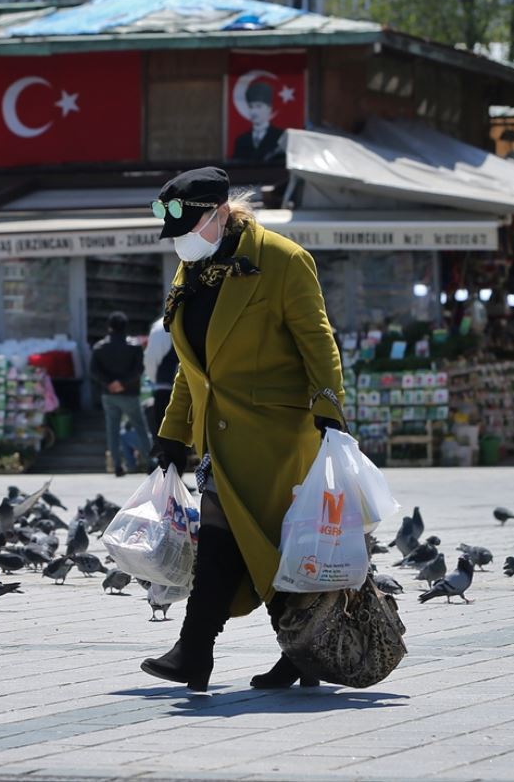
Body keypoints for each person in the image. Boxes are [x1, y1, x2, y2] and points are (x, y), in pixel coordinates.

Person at [142, 166, 345, 692]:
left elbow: (317, 340)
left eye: (189, 229)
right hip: (220, 437)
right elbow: (196, 367)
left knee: (245, 545)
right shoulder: (193, 270)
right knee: (246, 546)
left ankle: (196, 652)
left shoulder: (281, 259)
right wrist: (173, 434)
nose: (182, 243)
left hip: (277, 437)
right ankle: (284, 653)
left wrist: (330, 408)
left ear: (221, 213)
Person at [91, 311, 151, 477]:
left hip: (109, 394)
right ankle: (149, 462)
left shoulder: (100, 347)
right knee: (140, 427)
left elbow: (94, 371)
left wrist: (110, 383)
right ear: (126, 326)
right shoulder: (134, 346)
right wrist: (123, 383)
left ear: (109, 326)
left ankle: (117, 464)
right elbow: (139, 369)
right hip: (130, 393)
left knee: (112, 429)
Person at [231, 80, 285, 162]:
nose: (254, 111)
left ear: (269, 109)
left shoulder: (281, 137)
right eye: (251, 107)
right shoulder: (241, 140)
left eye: (258, 106)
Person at [143, 315, 178, 436]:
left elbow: (151, 359)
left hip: (164, 386)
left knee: (163, 434)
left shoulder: (159, 326)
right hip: (190, 388)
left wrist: (155, 379)